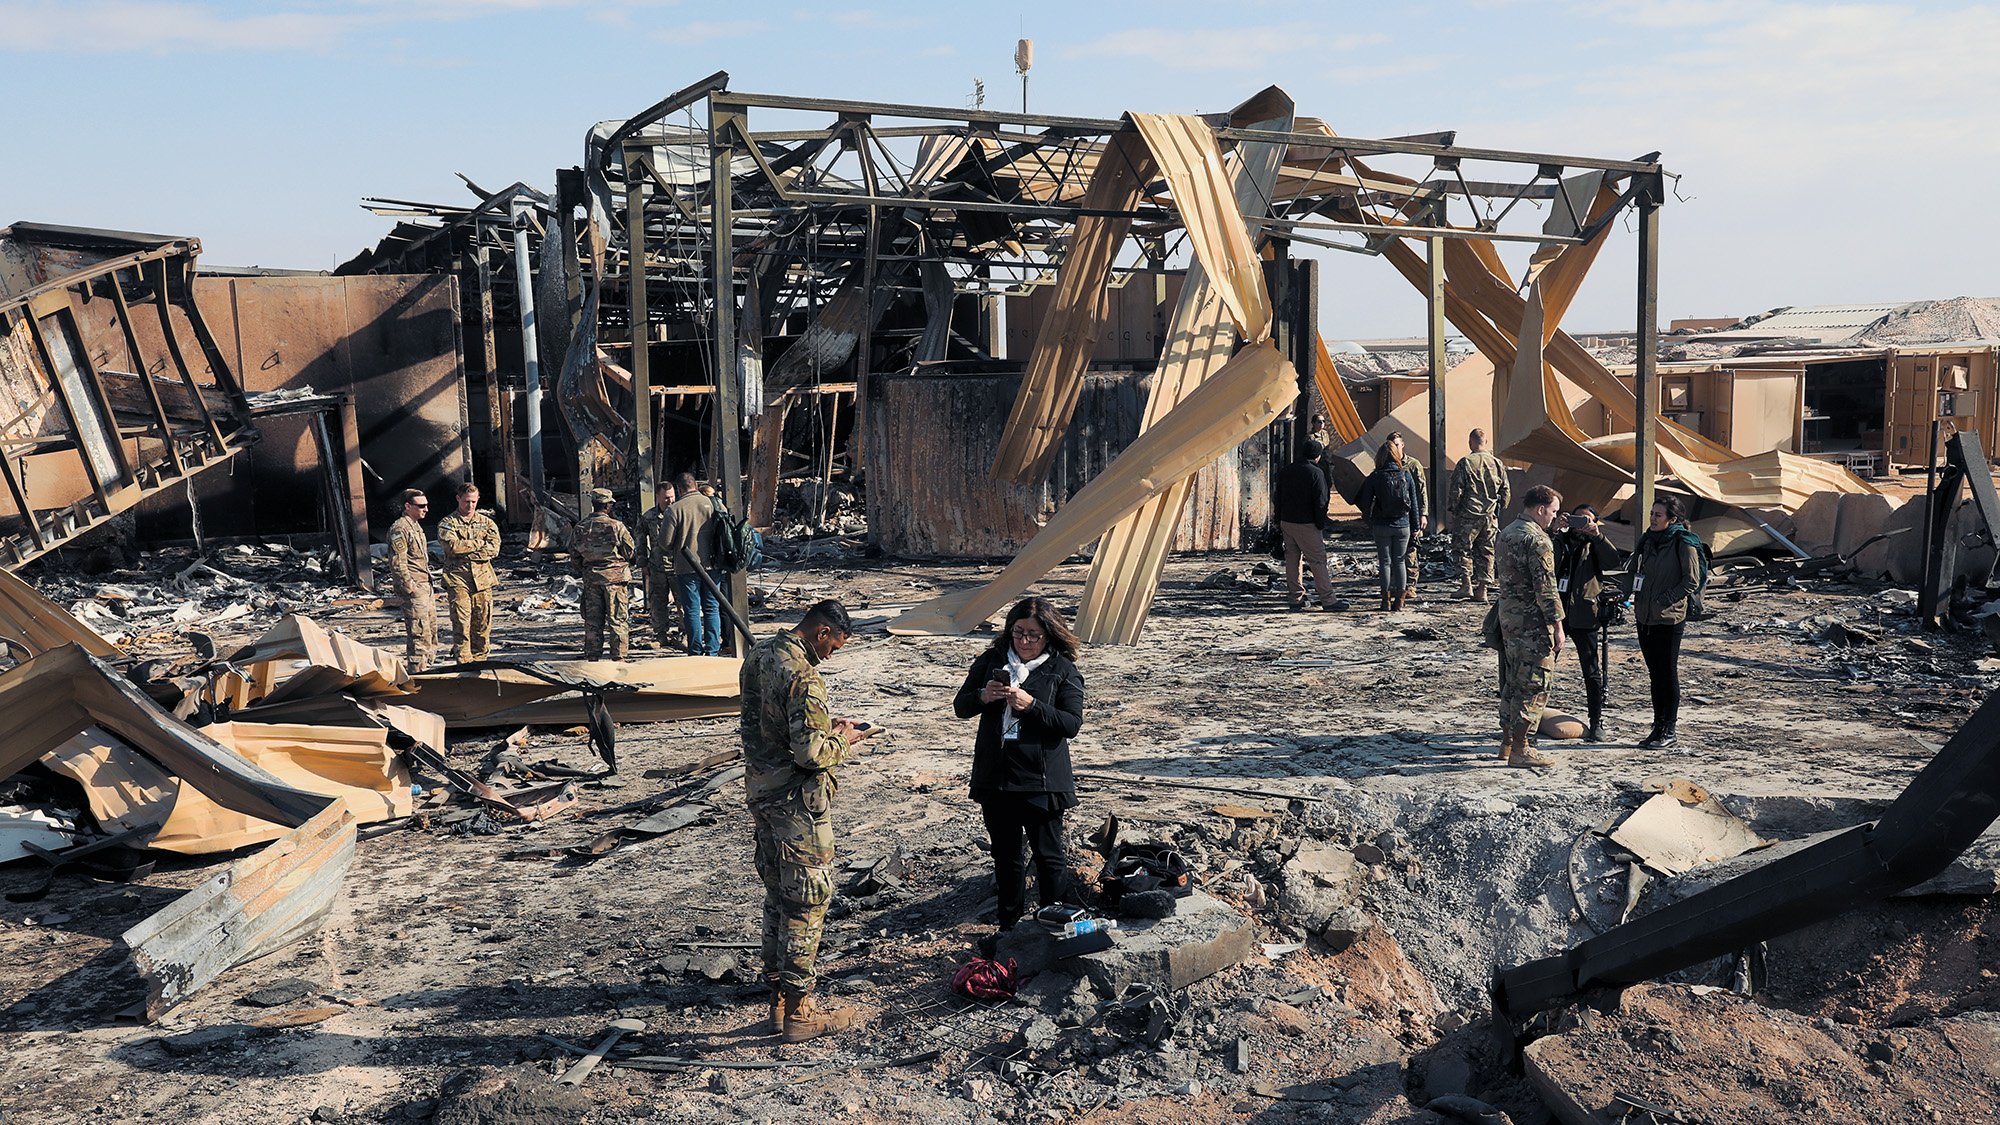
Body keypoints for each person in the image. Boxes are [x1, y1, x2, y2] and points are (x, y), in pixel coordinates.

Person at [740, 599, 868, 1042]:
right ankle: (800, 1010)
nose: (833, 653)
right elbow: (811, 755)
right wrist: (846, 740)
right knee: (808, 900)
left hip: (762, 791)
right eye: (836, 643)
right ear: (821, 632)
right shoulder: (805, 676)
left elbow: (767, 724)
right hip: (797, 804)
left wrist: (818, 727)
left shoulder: (759, 655)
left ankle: (777, 1000)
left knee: (777, 893)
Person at [952, 596, 1085, 940]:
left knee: (1048, 856)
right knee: (1006, 857)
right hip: (996, 777)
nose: (1024, 642)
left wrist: (1033, 706)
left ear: (1049, 636)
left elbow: (1071, 723)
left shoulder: (1062, 670)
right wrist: (983, 696)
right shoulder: (991, 661)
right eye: (1018, 633)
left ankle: (1056, 925)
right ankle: (1009, 928)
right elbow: (961, 706)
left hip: (1042, 780)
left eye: (1033, 635)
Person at [1495, 485, 1565, 768]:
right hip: (1532, 623)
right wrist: (1558, 625)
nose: (1554, 517)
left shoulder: (1507, 533)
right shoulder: (1537, 540)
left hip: (1509, 619)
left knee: (1513, 681)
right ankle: (1522, 749)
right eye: (1553, 511)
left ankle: (1507, 742)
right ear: (1540, 509)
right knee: (1535, 684)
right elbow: (1546, 589)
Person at [1633, 495, 1704, 749]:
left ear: (1672, 519)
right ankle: (1658, 725)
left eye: (1658, 515)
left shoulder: (1683, 543)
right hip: (1645, 616)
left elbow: (1691, 581)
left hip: (1668, 618)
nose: (1652, 519)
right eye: (1652, 514)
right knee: (1655, 674)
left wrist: (1665, 599)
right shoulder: (1648, 541)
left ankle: (1669, 728)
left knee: (1667, 672)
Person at [1552, 503, 1623, 742]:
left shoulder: (1595, 545)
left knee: (1592, 672)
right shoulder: (1558, 541)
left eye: (1586, 521)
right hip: (1556, 613)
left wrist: (1597, 536)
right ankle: (1529, 719)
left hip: (1585, 613)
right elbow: (1544, 562)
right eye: (1576, 519)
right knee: (1543, 668)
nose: (1579, 526)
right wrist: (1555, 531)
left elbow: (1613, 562)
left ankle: (1596, 720)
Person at [1354, 432, 1424, 611]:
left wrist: (1370, 521)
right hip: (1403, 525)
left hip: (1381, 525)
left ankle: (1385, 600)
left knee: (1384, 562)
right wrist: (1415, 526)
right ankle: (1400, 600)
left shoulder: (1375, 477)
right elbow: (1414, 502)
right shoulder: (1406, 474)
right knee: (1400, 561)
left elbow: (1364, 503)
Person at [437, 481, 501, 664]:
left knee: (482, 623)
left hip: (482, 580)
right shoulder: (447, 523)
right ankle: (464, 661)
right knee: (461, 622)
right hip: (458, 579)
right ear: (458, 499)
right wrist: (479, 544)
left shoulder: (487, 523)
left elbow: (494, 549)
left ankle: (480, 659)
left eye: (474, 501)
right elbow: (452, 548)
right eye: (466, 501)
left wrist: (466, 549)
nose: (470, 505)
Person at [1273, 440, 1336, 611]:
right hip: (1307, 523)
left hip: (1287, 521)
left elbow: (1277, 497)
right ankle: (1328, 600)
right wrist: (1320, 523)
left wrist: (1278, 520)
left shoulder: (1287, 471)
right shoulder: (1316, 473)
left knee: (1292, 560)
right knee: (1317, 560)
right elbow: (1321, 501)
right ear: (1317, 455)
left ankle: (1295, 598)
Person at [574, 487, 636, 661]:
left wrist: (586, 569)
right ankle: (619, 656)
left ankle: (593, 656)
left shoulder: (580, 527)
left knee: (593, 621)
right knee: (617, 620)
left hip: (591, 580)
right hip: (615, 580)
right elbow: (630, 552)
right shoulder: (617, 527)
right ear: (608, 506)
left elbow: (574, 555)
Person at [1450, 428, 1511, 602]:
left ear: (1471, 442)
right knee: (1487, 551)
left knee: (1462, 549)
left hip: (1468, 514)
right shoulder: (1497, 464)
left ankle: (1466, 585)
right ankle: (1482, 589)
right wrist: (1500, 508)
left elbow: (1457, 490)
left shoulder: (1466, 463)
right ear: (1486, 442)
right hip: (1490, 515)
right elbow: (1506, 490)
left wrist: (1454, 509)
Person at [667, 471, 723, 656]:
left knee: (692, 609)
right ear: (696, 486)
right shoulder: (714, 504)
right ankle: (713, 649)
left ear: (679, 488)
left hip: (686, 566)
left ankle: (695, 651)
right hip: (713, 564)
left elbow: (665, 542)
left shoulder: (675, 509)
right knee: (712, 607)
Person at [385, 488, 436, 672]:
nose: (426, 509)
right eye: (421, 506)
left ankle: (427, 669)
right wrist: (410, 588)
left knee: (430, 631)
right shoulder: (400, 529)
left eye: (426, 505)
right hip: (416, 588)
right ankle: (418, 673)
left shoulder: (414, 525)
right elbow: (398, 563)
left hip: (425, 585)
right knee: (419, 633)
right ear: (407, 506)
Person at [637, 481, 679, 649]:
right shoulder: (648, 517)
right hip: (657, 566)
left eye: (672, 497)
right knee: (658, 602)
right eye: (666, 498)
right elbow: (640, 540)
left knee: (682, 603)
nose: (670, 501)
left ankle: (684, 634)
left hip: (678, 566)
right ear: (658, 497)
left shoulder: (679, 513)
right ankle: (661, 634)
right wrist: (642, 562)